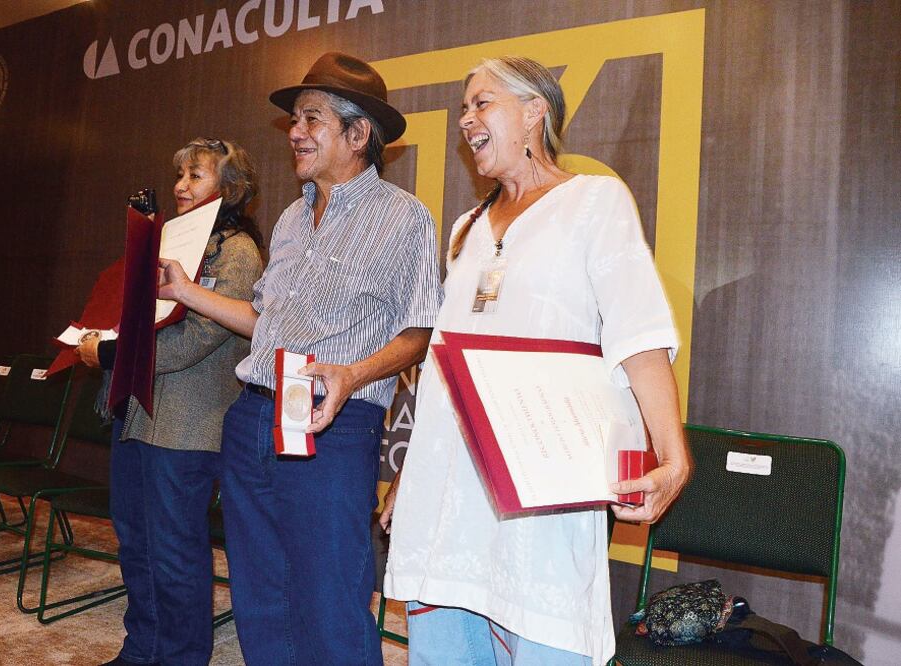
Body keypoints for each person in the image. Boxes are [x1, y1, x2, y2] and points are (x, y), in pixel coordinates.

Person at [383, 56, 691, 666]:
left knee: (548, 634)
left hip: (542, 481)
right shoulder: (466, 229)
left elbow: (640, 334)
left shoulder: (595, 201)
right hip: (448, 486)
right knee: (446, 638)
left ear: (534, 113)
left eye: (482, 103)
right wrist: (412, 473)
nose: (466, 119)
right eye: (463, 106)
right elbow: (445, 361)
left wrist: (674, 456)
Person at [157, 53, 443, 665]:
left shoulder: (404, 218)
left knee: (330, 599)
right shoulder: (288, 218)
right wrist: (186, 290)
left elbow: (420, 332)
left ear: (358, 133)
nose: (294, 132)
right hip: (252, 419)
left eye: (312, 119)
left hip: (331, 426)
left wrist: (353, 374)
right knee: (259, 593)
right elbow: (263, 323)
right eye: (294, 119)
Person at [76, 138, 264, 666]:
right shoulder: (170, 242)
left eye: (196, 176)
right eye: (180, 175)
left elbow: (195, 339)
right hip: (139, 414)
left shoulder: (238, 251)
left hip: (186, 426)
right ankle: (142, 650)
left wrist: (111, 353)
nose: (181, 186)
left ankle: (179, 656)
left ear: (229, 188)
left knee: (175, 553)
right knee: (136, 544)